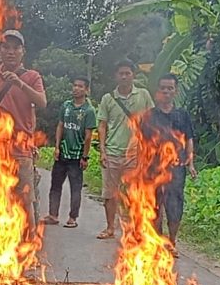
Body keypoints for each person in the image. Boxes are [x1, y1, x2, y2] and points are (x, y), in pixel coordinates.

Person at [0, 29, 47, 231]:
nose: (10, 52)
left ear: (23, 51)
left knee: (25, 201)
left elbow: (41, 102)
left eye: (15, 48)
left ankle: (29, 248)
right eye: (6, 47)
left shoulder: (32, 76)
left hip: (21, 151)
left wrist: (19, 83)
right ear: (0, 51)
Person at [139, 73, 196, 255]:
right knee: (154, 206)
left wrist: (191, 162)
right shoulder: (149, 116)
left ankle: (172, 242)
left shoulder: (182, 115)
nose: (166, 91)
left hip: (176, 167)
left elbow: (189, 139)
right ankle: (157, 241)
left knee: (175, 206)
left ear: (175, 91)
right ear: (158, 91)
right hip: (153, 168)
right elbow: (142, 142)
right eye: (163, 88)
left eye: (170, 88)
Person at [96, 59, 154, 240]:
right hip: (112, 152)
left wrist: (148, 147)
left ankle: (134, 230)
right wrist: (103, 151)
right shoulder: (108, 98)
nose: (124, 76)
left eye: (127, 73)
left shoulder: (143, 95)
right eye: (121, 73)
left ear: (133, 75)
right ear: (116, 76)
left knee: (133, 194)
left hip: (134, 154)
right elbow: (102, 126)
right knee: (109, 195)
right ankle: (110, 227)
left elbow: (151, 121)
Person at [40, 76, 96, 229]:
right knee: (55, 184)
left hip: (77, 156)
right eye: (75, 85)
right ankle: (53, 214)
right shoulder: (66, 106)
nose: (76, 88)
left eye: (80, 86)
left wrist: (85, 156)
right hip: (62, 153)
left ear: (87, 90)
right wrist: (57, 147)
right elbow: (60, 126)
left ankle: (73, 217)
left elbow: (88, 135)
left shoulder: (88, 111)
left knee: (75, 187)